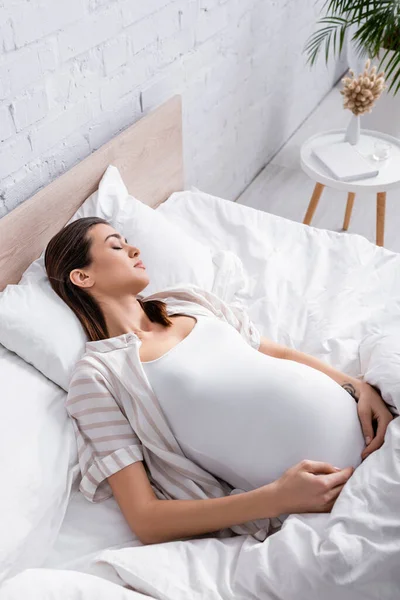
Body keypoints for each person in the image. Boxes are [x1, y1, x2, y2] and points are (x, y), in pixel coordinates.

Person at [45, 216, 394, 545]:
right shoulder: (97, 377)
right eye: (116, 246)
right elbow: (145, 519)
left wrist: (355, 386)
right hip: (332, 495)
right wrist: (276, 499)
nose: (135, 250)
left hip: (379, 430)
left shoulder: (185, 300)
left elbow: (275, 352)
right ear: (82, 277)